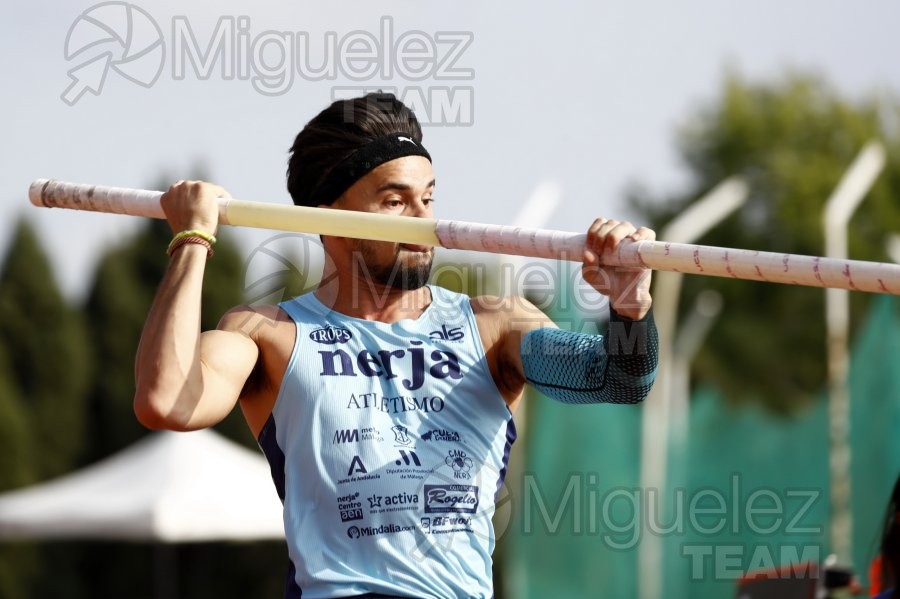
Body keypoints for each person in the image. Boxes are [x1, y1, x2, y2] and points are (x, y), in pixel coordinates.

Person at [134, 92, 659, 599]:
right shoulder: (268, 333)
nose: (422, 222)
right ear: (326, 213)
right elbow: (166, 399)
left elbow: (618, 379)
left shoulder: (496, 326)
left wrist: (629, 310)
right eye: (395, 201)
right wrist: (192, 241)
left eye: (427, 198)